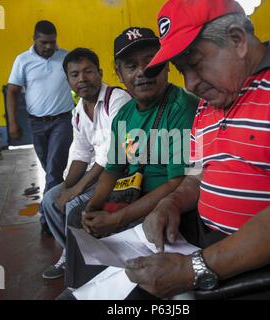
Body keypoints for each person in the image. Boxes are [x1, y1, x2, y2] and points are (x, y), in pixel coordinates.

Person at [124, 0, 270, 300]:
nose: (190, 83)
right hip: (214, 245)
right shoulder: (210, 102)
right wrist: (170, 203)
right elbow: (195, 177)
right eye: (181, 70)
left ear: (237, 40)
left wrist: (192, 270)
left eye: (194, 63)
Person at [58, 27, 200, 299]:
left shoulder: (181, 107)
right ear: (118, 73)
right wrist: (93, 208)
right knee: (79, 218)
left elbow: (177, 183)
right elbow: (113, 170)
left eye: (151, 61)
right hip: (131, 205)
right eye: (131, 66)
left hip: (167, 214)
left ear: (166, 64)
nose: (142, 72)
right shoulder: (124, 114)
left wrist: (116, 218)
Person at [41, 48, 131, 279]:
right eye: (75, 74)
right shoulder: (78, 112)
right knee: (50, 199)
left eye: (88, 71)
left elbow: (114, 153)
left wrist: (76, 190)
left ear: (99, 73)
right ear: (68, 80)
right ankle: (71, 253)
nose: (82, 79)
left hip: (122, 173)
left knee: (74, 206)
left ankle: (84, 264)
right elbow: (81, 154)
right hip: (97, 173)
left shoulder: (117, 99)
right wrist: (64, 187)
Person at [7, 20, 74, 234]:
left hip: (62, 121)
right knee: (49, 169)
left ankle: (47, 219)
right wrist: (13, 123)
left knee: (53, 168)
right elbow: (12, 91)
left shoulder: (65, 57)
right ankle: (64, 201)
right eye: (44, 42)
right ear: (34, 39)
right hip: (36, 123)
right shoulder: (22, 61)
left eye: (52, 42)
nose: (48, 47)